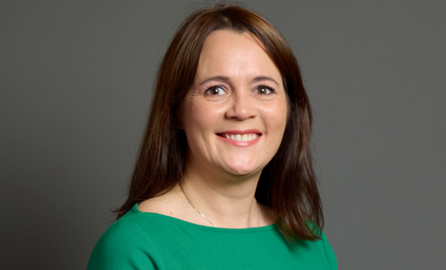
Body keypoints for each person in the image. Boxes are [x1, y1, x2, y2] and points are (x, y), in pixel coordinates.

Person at [88, 3, 337, 269]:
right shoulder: (134, 247)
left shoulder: (312, 244)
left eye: (263, 89)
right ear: (177, 112)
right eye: (216, 90)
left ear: (289, 108)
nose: (242, 110)